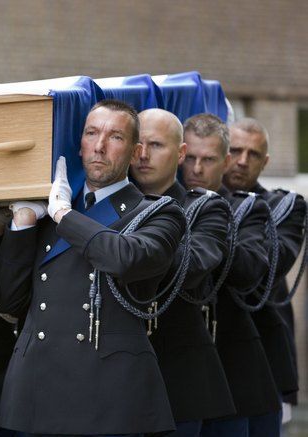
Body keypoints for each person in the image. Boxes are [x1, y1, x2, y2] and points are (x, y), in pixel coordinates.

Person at [0, 100, 185, 436]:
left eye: (115, 137)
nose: (99, 146)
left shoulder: (157, 212)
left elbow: (124, 259)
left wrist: (65, 217)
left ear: (134, 151)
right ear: (79, 144)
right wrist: (23, 223)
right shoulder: (48, 208)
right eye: (91, 133)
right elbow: (9, 301)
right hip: (36, 390)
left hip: (108, 394)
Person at [130, 108, 235, 436]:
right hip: (120, 376)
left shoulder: (204, 207)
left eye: (156, 145)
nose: (143, 155)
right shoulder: (111, 203)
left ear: (180, 154)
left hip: (178, 376)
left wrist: (123, 248)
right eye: (137, 144)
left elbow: (191, 267)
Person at [180, 113, 281, 437]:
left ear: (223, 162)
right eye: (191, 158)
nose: (197, 169)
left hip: (232, 364)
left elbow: (252, 271)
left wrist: (212, 227)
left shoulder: (245, 208)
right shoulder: (166, 205)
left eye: (208, 160)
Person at [224, 118, 306, 432]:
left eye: (253, 154)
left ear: (265, 161)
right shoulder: (189, 200)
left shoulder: (283, 206)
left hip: (264, 357)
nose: (242, 161)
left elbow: (268, 266)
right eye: (235, 150)